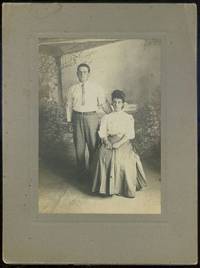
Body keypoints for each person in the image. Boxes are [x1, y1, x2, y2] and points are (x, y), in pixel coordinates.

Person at [91, 89, 147, 198]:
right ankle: (106, 188)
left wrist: (119, 144)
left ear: (123, 104)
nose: (117, 105)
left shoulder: (128, 118)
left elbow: (129, 134)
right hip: (109, 141)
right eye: (115, 102)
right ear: (112, 103)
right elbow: (103, 133)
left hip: (123, 142)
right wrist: (106, 141)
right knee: (102, 156)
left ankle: (122, 188)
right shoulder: (106, 117)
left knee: (124, 161)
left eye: (119, 102)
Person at [65, 63, 110, 178]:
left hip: (92, 118)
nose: (82, 74)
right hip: (77, 118)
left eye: (85, 72)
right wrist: (69, 121)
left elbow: (103, 104)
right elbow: (68, 106)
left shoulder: (97, 87)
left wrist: (113, 115)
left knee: (93, 147)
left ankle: (93, 174)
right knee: (79, 148)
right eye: (80, 72)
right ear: (77, 74)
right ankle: (81, 175)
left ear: (89, 74)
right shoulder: (72, 89)